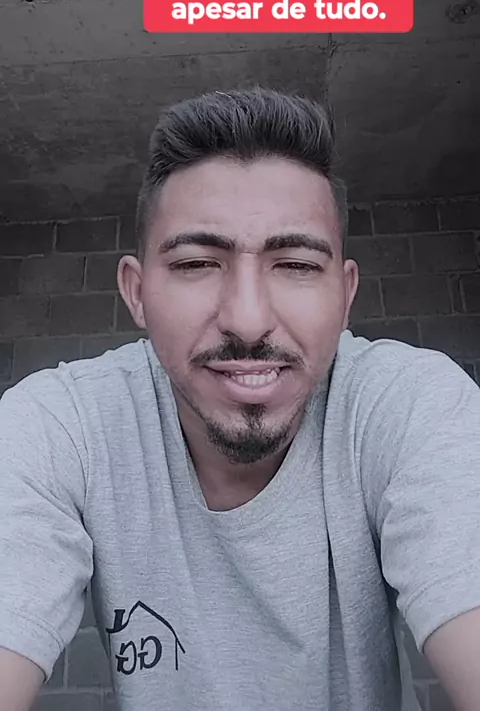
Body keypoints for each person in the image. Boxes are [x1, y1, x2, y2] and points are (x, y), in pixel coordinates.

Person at [0, 87, 479, 711]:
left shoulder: (411, 406)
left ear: (346, 295)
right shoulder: (58, 428)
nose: (248, 321)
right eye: (197, 264)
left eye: (297, 265)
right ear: (136, 292)